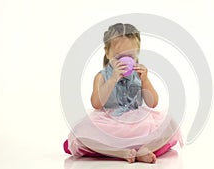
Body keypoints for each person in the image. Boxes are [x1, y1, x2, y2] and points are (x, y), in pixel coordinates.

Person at [63, 23, 182, 163]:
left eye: (130, 56)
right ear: (107, 53)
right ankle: (121, 152)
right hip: (110, 123)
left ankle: (144, 149)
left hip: (138, 122)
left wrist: (145, 80)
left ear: (136, 54)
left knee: (171, 126)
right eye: (119, 57)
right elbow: (96, 104)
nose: (125, 61)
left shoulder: (139, 74)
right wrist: (113, 78)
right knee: (81, 136)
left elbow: (153, 103)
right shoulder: (102, 77)